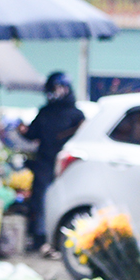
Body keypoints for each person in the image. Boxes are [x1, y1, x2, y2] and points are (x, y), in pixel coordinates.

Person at [22, 71, 85, 252]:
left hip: (67, 166)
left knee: (67, 200)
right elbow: (31, 134)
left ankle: (65, 239)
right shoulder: (45, 112)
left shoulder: (77, 115)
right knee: (41, 201)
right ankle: (41, 238)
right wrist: (22, 130)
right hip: (44, 163)